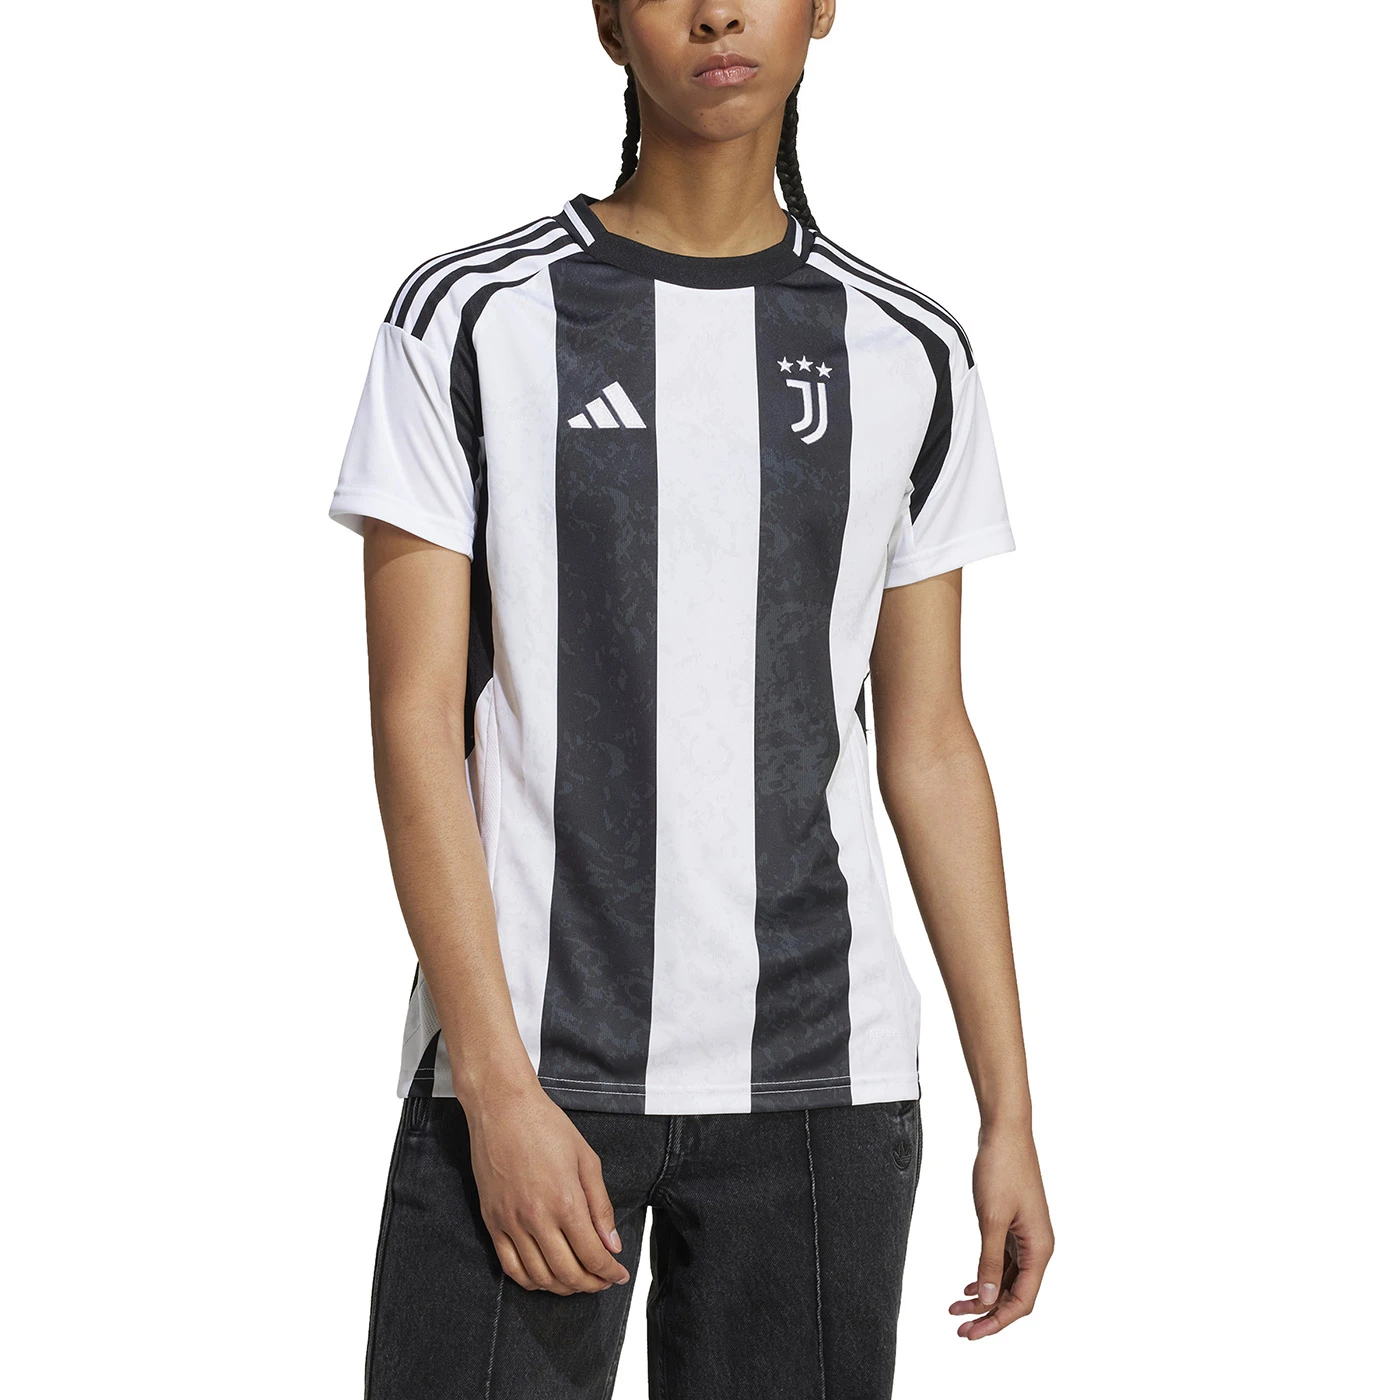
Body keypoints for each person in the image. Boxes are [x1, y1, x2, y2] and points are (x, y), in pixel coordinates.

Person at [327, 3, 1053, 1396]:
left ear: (823, 8)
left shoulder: (906, 349)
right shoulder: (472, 319)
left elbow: (929, 745)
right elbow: (413, 726)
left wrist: (1007, 1109)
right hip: (533, 1073)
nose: (717, 11)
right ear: (606, 19)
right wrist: (495, 1085)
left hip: (824, 1088)